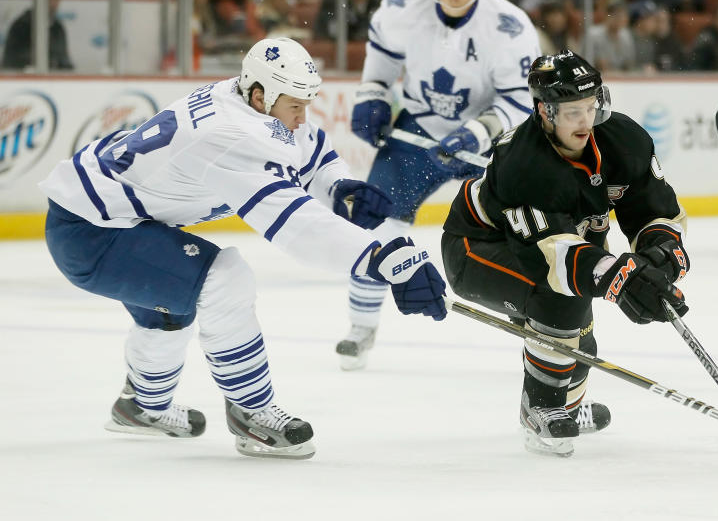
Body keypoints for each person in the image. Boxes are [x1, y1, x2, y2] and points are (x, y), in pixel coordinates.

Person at [39, 37, 447, 460]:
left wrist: (337, 185)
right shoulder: (231, 135)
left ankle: (142, 406)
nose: (301, 118)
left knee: (173, 301)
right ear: (260, 96)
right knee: (224, 279)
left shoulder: (243, 98)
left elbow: (307, 147)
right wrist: (380, 259)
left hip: (105, 216)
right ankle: (251, 413)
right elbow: (297, 226)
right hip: (93, 233)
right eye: (295, 106)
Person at [440, 50, 690, 457]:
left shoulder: (622, 140)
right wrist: (618, 277)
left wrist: (657, 260)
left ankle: (567, 410)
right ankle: (541, 410)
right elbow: (549, 258)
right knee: (558, 299)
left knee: (581, 345)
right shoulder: (522, 161)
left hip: (552, 249)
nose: (586, 121)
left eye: (591, 107)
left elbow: (656, 212)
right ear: (545, 111)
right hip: (477, 248)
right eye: (573, 112)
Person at [339, 0, 541, 370]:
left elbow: (519, 100)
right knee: (372, 219)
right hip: (418, 129)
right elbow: (382, 59)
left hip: (487, 144)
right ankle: (360, 326)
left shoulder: (508, 25)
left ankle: (539, 330)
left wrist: (476, 133)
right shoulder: (401, 7)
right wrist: (371, 94)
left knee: (522, 235)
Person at [1, 0, 74, 71]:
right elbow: (11, 61)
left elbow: (64, 59)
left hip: (53, 81)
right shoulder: (21, 26)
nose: (51, 2)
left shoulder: (58, 27)